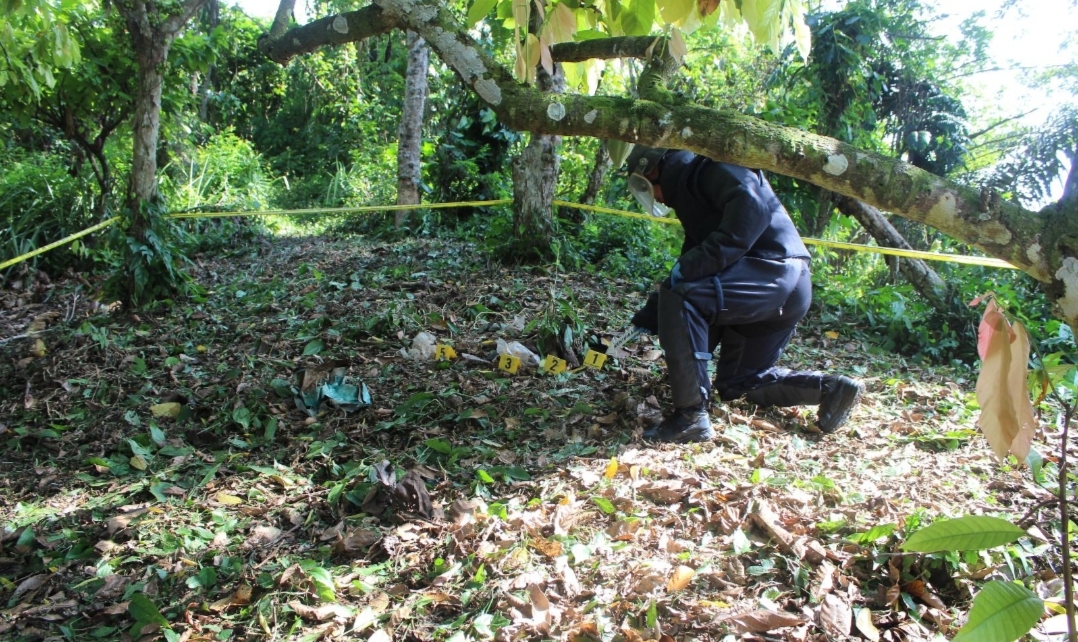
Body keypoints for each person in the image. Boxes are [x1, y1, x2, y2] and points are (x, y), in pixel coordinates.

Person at [622, 145, 864, 443]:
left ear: (654, 169)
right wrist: (650, 315)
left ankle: (690, 417)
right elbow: (694, 263)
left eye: (645, 185)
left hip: (769, 275)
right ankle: (831, 389)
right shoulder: (692, 193)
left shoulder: (708, 167)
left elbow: (751, 210)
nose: (655, 197)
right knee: (740, 382)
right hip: (787, 286)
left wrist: (679, 284)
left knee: (682, 297)